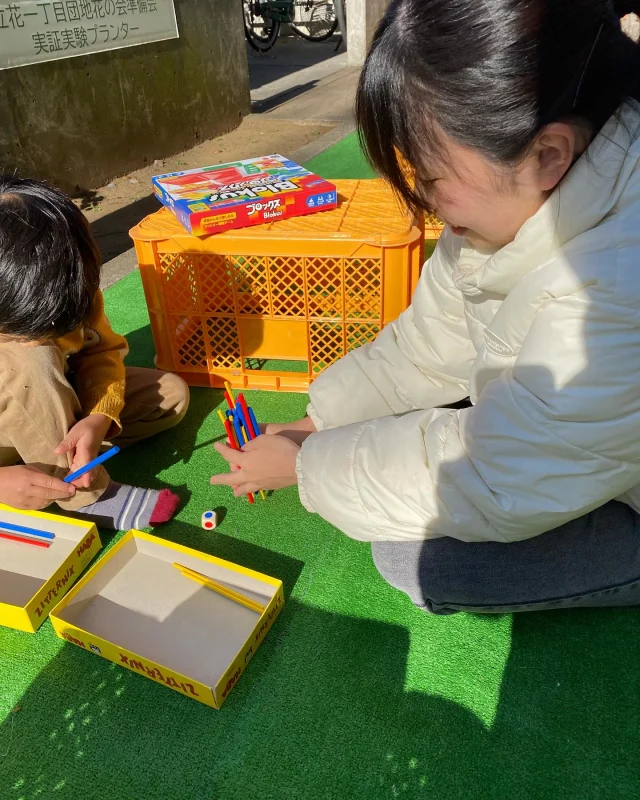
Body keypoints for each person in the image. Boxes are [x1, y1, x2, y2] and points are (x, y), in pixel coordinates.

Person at [211, 0, 640, 614]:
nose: (421, 196)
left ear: (549, 155)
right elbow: (428, 344)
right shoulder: (505, 206)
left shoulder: (619, 279)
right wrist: (319, 423)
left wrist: (309, 467)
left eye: (432, 175)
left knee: (417, 556)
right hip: (596, 442)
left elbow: (499, 478)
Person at [0, 176, 189, 530]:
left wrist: (99, 417)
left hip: (51, 402)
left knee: (170, 395)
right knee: (27, 363)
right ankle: (88, 498)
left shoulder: (69, 285)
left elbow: (102, 353)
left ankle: (59, 460)